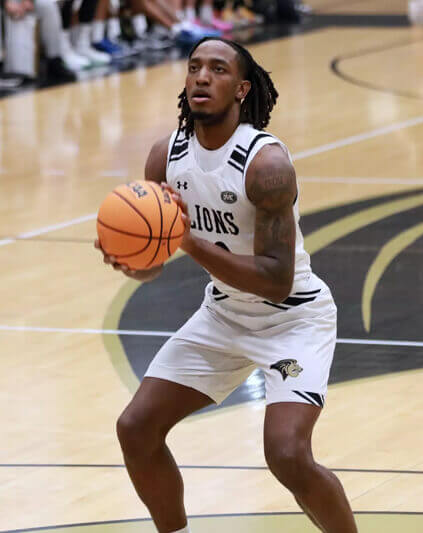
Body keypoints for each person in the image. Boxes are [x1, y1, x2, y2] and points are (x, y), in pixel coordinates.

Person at [96, 37, 358, 532]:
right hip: (223, 313)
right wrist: (131, 258)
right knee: (136, 428)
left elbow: (276, 282)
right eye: (194, 67)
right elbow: (154, 263)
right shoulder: (166, 157)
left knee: (287, 455)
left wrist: (188, 241)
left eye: (217, 70)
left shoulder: (266, 164)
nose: (201, 76)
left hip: (294, 319)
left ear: (240, 89)